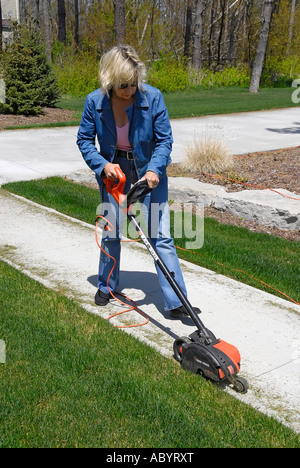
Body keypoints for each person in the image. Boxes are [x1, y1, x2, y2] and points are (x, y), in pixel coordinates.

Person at [77, 44, 199, 318]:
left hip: (149, 173)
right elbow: (84, 140)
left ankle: (176, 301)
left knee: (161, 237)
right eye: (123, 86)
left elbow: (165, 140)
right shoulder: (94, 103)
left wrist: (155, 170)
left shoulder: (153, 98)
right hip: (115, 173)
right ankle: (106, 286)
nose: (130, 91)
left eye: (133, 84)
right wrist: (102, 165)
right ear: (109, 80)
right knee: (111, 234)